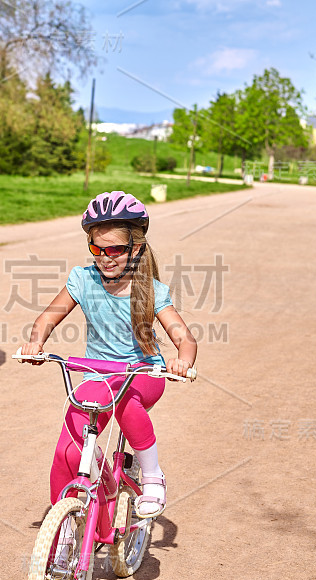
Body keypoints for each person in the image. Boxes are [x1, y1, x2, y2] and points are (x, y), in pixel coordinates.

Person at [20, 191, 197, 519]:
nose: (106, 257)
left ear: (137, 247)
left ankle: (153, 475)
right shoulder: (82, 280)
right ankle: (69, 526)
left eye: (116, 249)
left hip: (142, 375)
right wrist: (36, 342)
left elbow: (185, 339)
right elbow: (46, 318)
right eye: (97, 249)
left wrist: (182, 361)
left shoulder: (151, 291)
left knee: (125, 400)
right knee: (68, 451)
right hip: (98, 376)